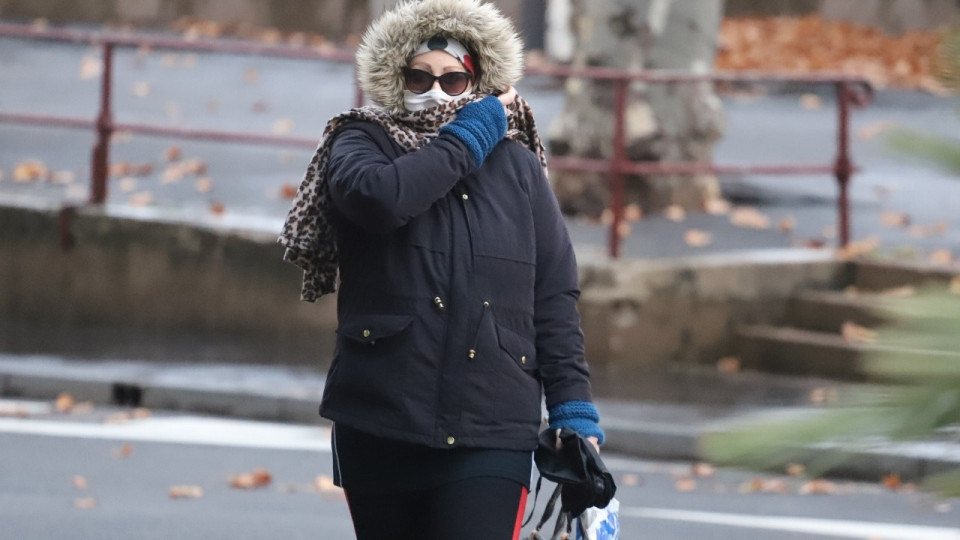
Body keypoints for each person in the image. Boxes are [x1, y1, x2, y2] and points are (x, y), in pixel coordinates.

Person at [278, 1, 604, 538]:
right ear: (394, 78)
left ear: (478, 83)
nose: (436, 91)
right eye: (419, 77)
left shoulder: (517, 166)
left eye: (455, 80)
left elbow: (551, 295)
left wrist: (574, 408)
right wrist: (469, 135)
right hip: (381, 419)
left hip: (491, 427)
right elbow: (384, 200)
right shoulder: (359, 142)